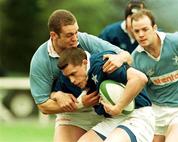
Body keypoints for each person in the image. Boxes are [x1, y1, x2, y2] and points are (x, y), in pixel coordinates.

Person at [29, 9, 132, 142]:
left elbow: (126, 56)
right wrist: (68, 99)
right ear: (54, 35)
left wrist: (119, 59)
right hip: (72, 114)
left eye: (76, 32)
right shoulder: (40, 60)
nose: (75, 38)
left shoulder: (84, 40)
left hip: (103, 110)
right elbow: (43, 106)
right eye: (69, 35)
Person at [56, 47, 154, 142]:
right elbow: (48, 96)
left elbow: (140, 78)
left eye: (73, 74)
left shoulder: (103, 64)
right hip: (113, 120)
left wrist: (118, 107)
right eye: (68, 76)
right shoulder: (72, 76)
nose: (71, 80)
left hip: (138, 116)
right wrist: (57, 95)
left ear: (84, 63)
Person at [131, 9, 178, 142]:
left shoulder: (176, 42)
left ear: (154, 28)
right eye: (136, 31)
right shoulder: (135, 59)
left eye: (145, 29)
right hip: (156, 112)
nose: (141, 34)